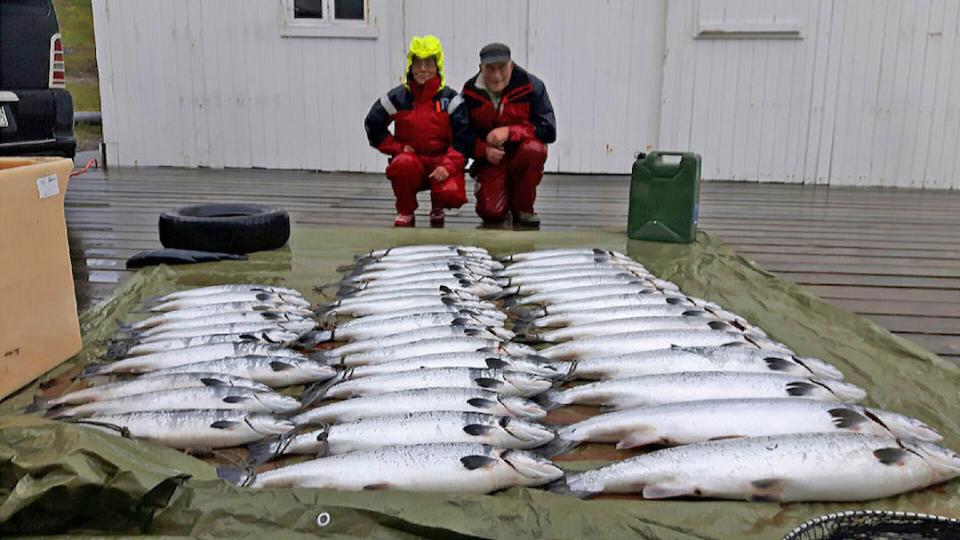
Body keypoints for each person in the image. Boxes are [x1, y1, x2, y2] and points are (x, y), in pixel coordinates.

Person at [364, 35, 469, 227]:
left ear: (438, 66)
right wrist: (397, 148)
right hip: (413, 162)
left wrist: (448, 167)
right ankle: (406, 210)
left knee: (451, 192)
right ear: (410, 67)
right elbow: (373, 124)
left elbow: (463, 140)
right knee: (402, 165)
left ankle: (438, 206)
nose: (422, 69)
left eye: (428, 63)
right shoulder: (397, 97)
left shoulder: (452, 99)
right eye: (417, 63)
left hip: (442, 161)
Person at [458, 43, 556, 227]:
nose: (497, 76)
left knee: (535, 149)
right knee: (491, 213)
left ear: (511, 65)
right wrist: (484, 150)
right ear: (480, 68)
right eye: (490, 69)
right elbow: (461, 134)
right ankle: (498, 193)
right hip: (491, 161)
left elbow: (548, 129)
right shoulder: (469, 92)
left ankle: (524, 207)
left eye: (502, 67)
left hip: (522, 154)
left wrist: (510, 132)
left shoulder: (532, 86)